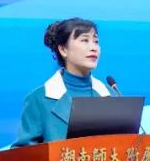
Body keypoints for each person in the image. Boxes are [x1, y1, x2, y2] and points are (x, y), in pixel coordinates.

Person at [12, 18, 110, 147]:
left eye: (96, 41)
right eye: (84, 40)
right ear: (63, 49)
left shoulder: (111, 95)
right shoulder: (39, 99)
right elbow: (21, 153)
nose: (93, 48)